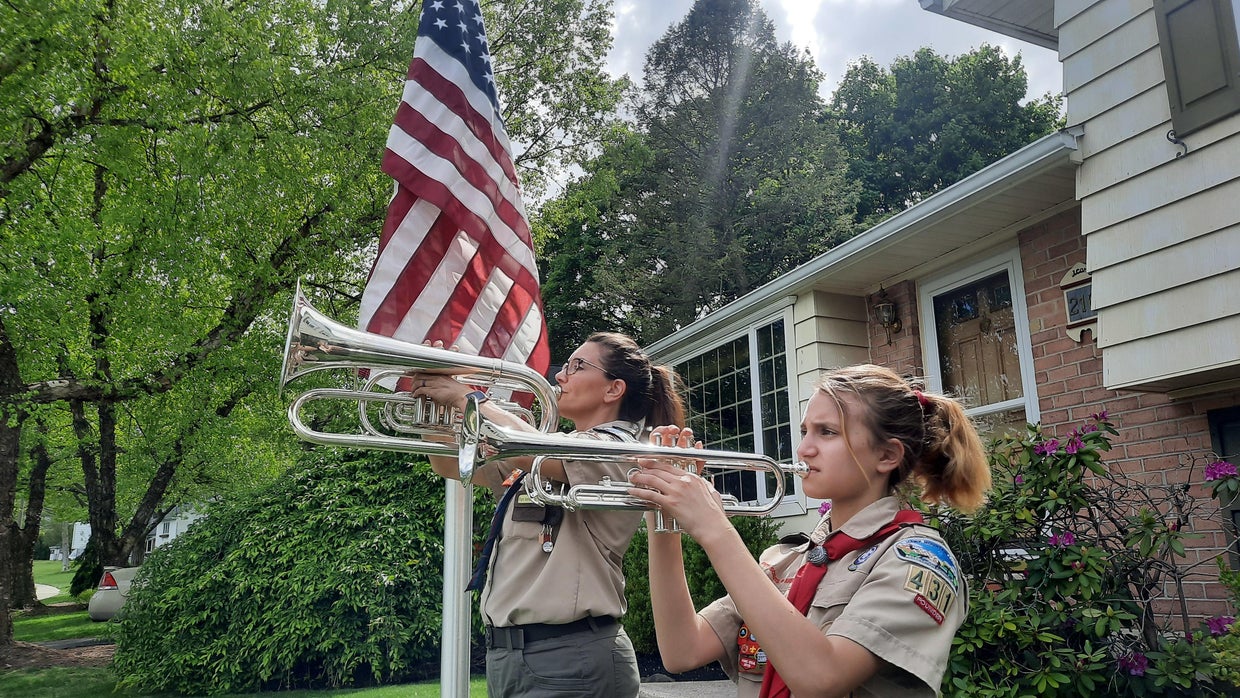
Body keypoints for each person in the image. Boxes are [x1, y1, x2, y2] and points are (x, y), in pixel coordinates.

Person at [628, 364, 992, 698]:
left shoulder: (917, 560)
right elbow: (681, 650)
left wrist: (715, 529)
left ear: (887, 456)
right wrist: (664, 516)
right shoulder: (785, 560)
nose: (804, 448)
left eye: (827, 432)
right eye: (805, 431)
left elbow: (821, 677)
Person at [409, 332, 685, 698]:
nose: (560, 375)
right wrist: (434, 403)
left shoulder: (622, 449)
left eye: (577, 366)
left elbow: (534, 447)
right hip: (511, 657)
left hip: (570, 657)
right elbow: (450, 467)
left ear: (613, 389)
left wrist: (465, 397)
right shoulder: (542, 455)